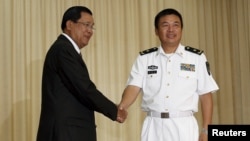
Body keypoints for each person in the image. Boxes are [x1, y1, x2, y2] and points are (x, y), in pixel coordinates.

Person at [118, 8, 219, 141]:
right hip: (153, 126)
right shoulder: (145, 58)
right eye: (165, 25)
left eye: (175, 25)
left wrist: (206, 130)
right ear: (156, 31)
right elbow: (133, 87)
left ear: (181, 29)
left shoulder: (196, 58)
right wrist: (121, 107)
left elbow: (205, 95)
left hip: (184, 126)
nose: (171, 30)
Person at [36, 6, 127, 141]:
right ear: (69, 24)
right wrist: (114, 111)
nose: (90, 31)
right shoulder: (63, 50)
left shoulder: (66, 50)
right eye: (86, 25)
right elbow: (84, 88)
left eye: (92, 27)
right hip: (65, 133)